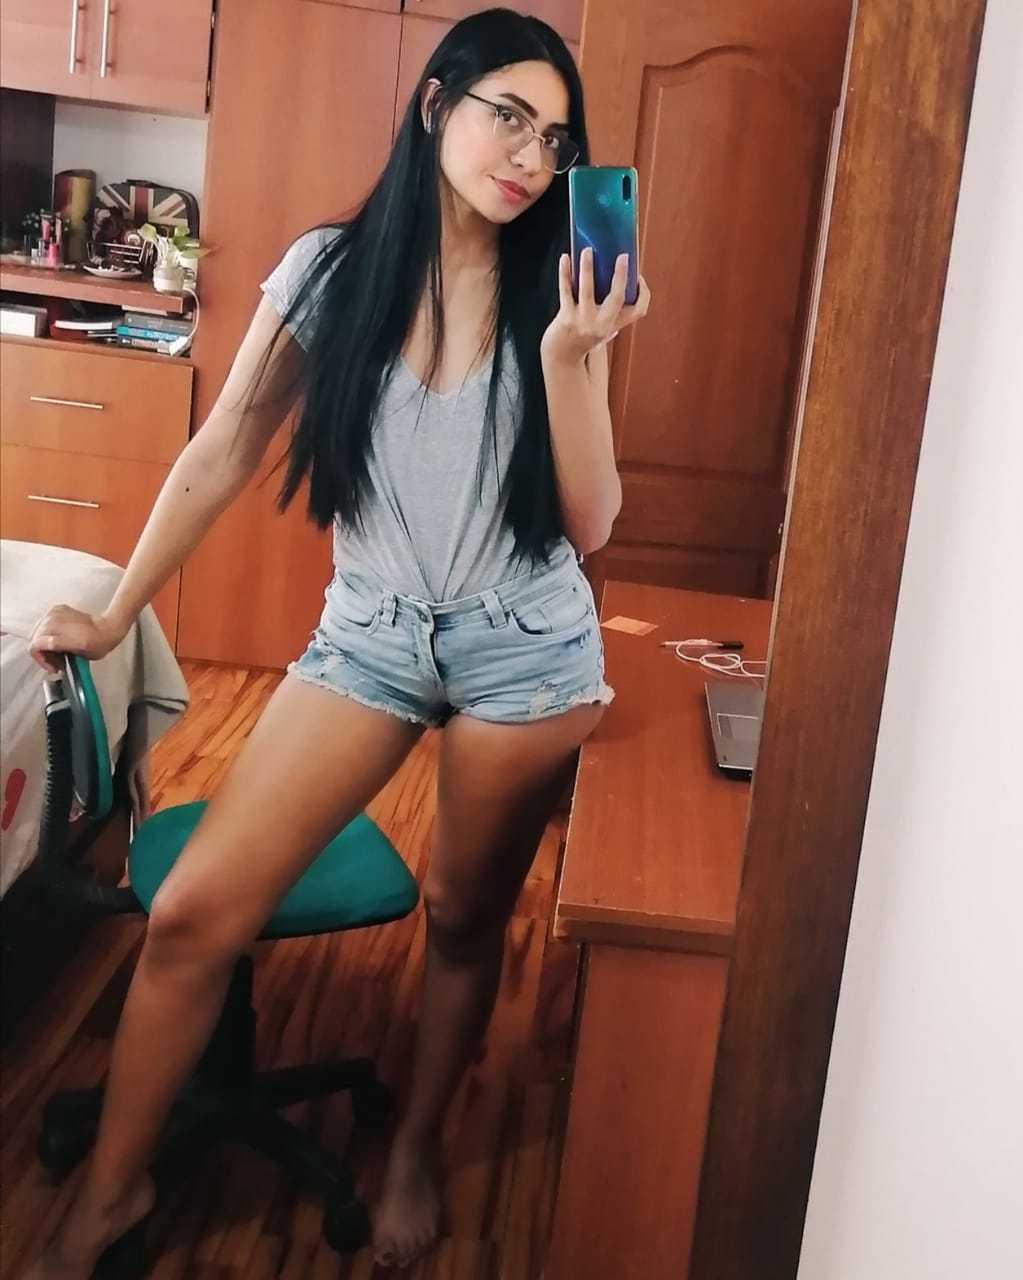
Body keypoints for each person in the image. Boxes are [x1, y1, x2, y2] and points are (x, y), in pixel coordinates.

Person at [26, 8, 650, 1274]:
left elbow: (590, 523)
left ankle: (415, 1144)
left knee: (462, 914)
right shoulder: (330, 272)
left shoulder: (561, 291)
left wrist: (571, 360)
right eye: (509, 116)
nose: (530, 156)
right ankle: (109, 1196)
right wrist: (118, 608)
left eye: (556, 138)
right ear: (436, 105)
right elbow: (223, 451)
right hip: (370, 637)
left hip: (525, 648)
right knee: (192, 913)